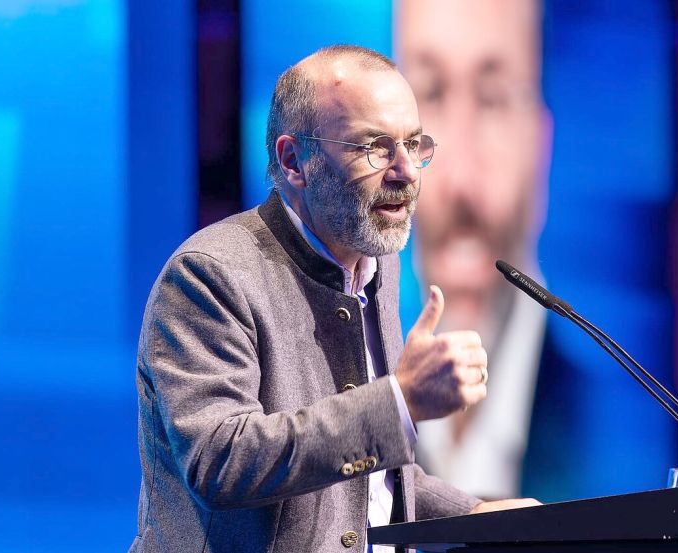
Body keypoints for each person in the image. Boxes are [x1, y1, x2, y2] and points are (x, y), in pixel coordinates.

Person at [129, 45, 535, 553]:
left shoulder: (376, 262)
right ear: (294, 161)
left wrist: (475, 514)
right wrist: (399, 402)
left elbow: (363, 479)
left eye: (413, 144)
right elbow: (221, 463)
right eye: (375, 148)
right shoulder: (208, 276)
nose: (407, 171)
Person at [396, 0, 572, 501]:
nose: (461, 180)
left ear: (540, 145)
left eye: (493, 100)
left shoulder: (621, 432)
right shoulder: (340, 408)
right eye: (429, 94)